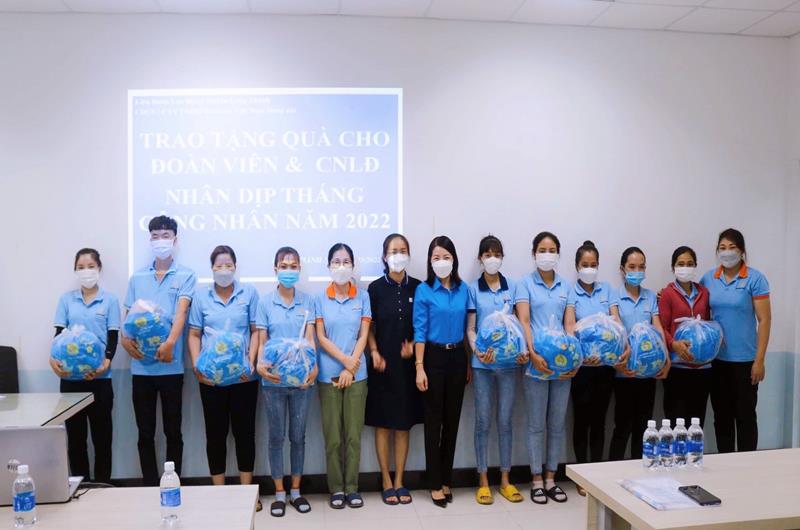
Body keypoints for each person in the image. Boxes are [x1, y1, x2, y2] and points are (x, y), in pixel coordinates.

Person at [121, 215, 196, 486]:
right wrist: (124, 339)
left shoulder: (186, 275)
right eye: (155, 236)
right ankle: (150, 485)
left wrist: (170, 343)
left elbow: (181, 313)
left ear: (175, 240)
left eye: (165, 236)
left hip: (171, 367)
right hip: (141, 368)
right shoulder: (137, 277)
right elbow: (128, 315)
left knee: (173, 431)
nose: (160, 240)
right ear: (149, 239)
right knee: (145, 433)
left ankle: (172, 484)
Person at [187, 245, 260, 509]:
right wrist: (197, 366)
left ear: (235, 267)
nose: (224, 270)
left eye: (228, 265)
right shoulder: (201, 297)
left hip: (244, 379)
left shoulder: (249, 293)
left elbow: (255, 331)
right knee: (215, 435)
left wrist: (250, 363)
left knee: (245, 434)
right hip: (211, 380)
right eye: (219, 266)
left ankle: (247, 493)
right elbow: (194, 334)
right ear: (212, 269)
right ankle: (218, 494)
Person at [256, 246, 318, 517]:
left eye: (293, 266)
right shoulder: (265, 303)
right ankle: (279, 493)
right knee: (276, 437)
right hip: (273, 382)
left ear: (300, 269)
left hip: (302, 382)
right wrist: (260, 365)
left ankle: (296, 491)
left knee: (298, 437)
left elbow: (311, 340)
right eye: (284, 266)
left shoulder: (308, 302)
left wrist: (314, 368)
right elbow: (262, 341)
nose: (289, 270)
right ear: (275, 269)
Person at [51, 248, 119, 484]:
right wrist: (53, 361)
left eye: (90, 266)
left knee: (102, 438)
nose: (86, 271)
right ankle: (80, 485)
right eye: (80, 267)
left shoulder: (110, 300)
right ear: (75, 270)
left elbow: (113, 336)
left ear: (99, 268)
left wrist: (105, 363)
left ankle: (102, 485)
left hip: (100, 380)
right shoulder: (66, 300)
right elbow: (58, 336)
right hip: (71, 381)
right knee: (76, 438)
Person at [515, 232, 573, 505]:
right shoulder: (524, 284)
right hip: (535, 363)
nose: (547, 254)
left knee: (557, 424)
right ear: (534, 253)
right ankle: (536, 479)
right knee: (536, 424)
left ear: (558, 254)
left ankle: (551, 478)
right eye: (542, 249)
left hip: (562, 365)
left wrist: (573, 358)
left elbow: (569, 324)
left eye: (551, 250)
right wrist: (533, 354)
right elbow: (524, 321)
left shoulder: (565, 286)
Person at [467, 235, 526, 505]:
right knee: (482, 421)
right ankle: (482, 480)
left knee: (505, 421)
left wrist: (523, 350)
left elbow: (519, 325)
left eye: (497, 254)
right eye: (488, 254)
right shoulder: (473, 289)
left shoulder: (513, 287)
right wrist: (477, 350)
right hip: (482, 365)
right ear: (480, 258)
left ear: (502, 257)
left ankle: (505, 479)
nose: (492, 259)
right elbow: (471, 328)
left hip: (509, 365)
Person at [701, 228, 771, 452]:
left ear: (742, 251)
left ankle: (747, 465)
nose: (727, 252)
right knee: (721, 417)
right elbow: (697, 307)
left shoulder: (755, 279)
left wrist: (759, 360)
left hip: (746, 361)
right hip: (716, 361)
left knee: (745, 417)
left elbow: (764, 319)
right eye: (722, 248)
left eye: (732, 247)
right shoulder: (709, 278)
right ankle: (726, 463)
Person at [366, 234, 423, 506]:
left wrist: (414, 345)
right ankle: (386, 480)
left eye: (402, 250)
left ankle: (400, 480)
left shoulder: (419, 287)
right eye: (393, 251)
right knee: (383, 424)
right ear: (384, 256)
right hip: (382, 365)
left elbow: (423, 325)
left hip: (408, 366)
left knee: (402, 425)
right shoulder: (375, 289)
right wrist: (374, 351)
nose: (398, 255)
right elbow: (368, 327)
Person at [413, 235, 469, 508]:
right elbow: (419, 331)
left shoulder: (463, 289)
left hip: (458, 356)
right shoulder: (424, 290)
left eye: (446, 257)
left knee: (452, 421)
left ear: (454, 259)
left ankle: (447, 479)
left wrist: (468, 363)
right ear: (430, 261)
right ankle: (434, 482)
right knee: (433, 423)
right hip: (432, 358)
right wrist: (419, 367)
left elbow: (467, 329)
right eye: (436, 257)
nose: (442, 261)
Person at [315, 243, 371, 509]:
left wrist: (351, 367)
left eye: (346, 261)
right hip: (328, 375)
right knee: (333, 436)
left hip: (357, 375)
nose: (341, 266)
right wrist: (344, 362)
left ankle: (352, 488)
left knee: (353, 436)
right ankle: (336, 488)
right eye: (336, 262)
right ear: (328, 266)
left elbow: (363, 335)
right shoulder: (319, 299)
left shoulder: (363, 297)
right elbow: (321, 337)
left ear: (353, 266)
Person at [563, 240, 620, 495]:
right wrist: (584, 353)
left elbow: (616, 322)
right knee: (582, 419)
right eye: (585, 264)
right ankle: (582, 474)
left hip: (606, 365)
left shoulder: (607, 290)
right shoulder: (571, 292)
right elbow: (570, 326)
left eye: (593, 264)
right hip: (582, 367)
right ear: (577, 266)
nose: (589, 269)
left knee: (600, 420)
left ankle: (596, 472)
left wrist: (612, 347)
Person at [608, 247, 669, 461]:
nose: (637, 271)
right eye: (632, 267)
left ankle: (641, 469)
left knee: (643, 427)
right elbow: (616, 328)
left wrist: (666, 358)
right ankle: (614, 471)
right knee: (622, 425)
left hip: (648, 372)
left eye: (641, 267)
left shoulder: (650, 296)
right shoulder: (614, 296)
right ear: (622, 269)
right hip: (624, 371)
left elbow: (658, 327)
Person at [658, 246, 712, 426]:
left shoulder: (704, 292)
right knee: (676, 422)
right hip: (677, 368)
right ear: (673, 267)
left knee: (697, 423)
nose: (685, 267)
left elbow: (708, 325)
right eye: (681, 264)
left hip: (703, 369)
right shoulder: (667, 294)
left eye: (689, 264)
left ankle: (694, 447)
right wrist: (673, 344)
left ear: (695, 266)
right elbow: (662, 328)